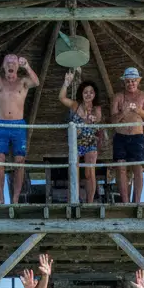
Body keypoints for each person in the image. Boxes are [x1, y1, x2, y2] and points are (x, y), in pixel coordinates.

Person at [0, 42, 40, 206]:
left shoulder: (23, 82)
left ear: (18, 66)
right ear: (3, 66)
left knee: (19, 162)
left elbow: (36, 82)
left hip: (19, 125)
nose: (11, 64)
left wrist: (28, 66)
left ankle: (16, 198)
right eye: (8, 62)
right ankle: (1, 196)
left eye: (14, 62)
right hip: (1, 125)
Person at [110, 67, 144, 204]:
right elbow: (112, 120)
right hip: (120, 136)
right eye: (128, 81)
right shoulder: (117, 97)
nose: (131, 84)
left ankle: (137, 201)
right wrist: (123, 112)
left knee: (138, 168)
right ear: (124, 82)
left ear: (138, 81)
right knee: (121, 168)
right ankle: (125, 201)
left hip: (137, 136)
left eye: (133, 81)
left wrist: (139, 110)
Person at [58, 72, 103, 204]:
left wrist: (92, 119)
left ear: (94, 94)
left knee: (90, 173)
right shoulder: (75, 105)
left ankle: (89, 202)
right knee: (74, 173)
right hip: (75, 142)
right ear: (81, 93)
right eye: (85, 92)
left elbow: (98, 118)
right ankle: (74, 200)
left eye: (91, 92)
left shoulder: (97, 108)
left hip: (90, 142)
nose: (88, 94)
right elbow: (61, 97)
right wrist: (66, 83)